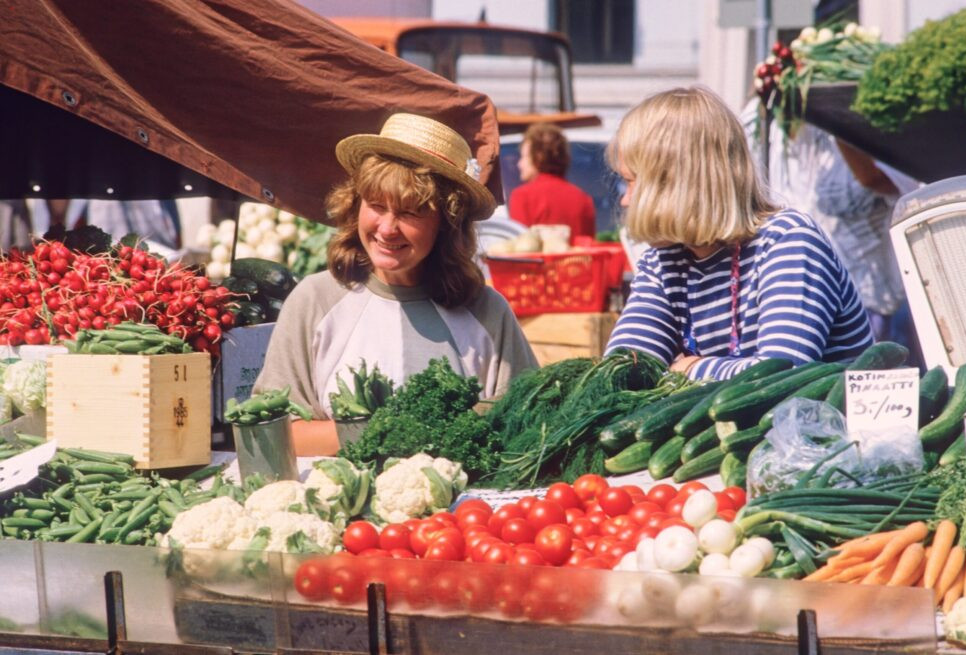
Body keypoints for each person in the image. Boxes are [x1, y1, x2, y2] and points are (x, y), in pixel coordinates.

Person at [254, 113, 538, 455]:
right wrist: (385, 432)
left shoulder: (488, 312)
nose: (387, 229)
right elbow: (272, 435)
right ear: (355, 205)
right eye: (376, 205)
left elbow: (528, 425)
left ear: (447, 223)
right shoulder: (315, 301)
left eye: (411, 212)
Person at [603, 87, 874, 380]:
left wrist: (690, 368)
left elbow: (782, 374)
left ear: (675, 185)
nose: (625, 200)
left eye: (630, 182)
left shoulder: (788, 242)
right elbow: (622, 371)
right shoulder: (664, 261)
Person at [743, 101, 921, 359]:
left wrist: (834, 118)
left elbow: (880, 180)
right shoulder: (764, 113)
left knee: (860, 375)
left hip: (865, 301)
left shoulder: (863, 112)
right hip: (787, 296)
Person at [507, 123, 596, 240]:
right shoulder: (583, 199)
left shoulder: (522, 196)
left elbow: (522, 245)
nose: (519, 164)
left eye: (524, 157)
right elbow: (588, 245)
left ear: (539, 156)